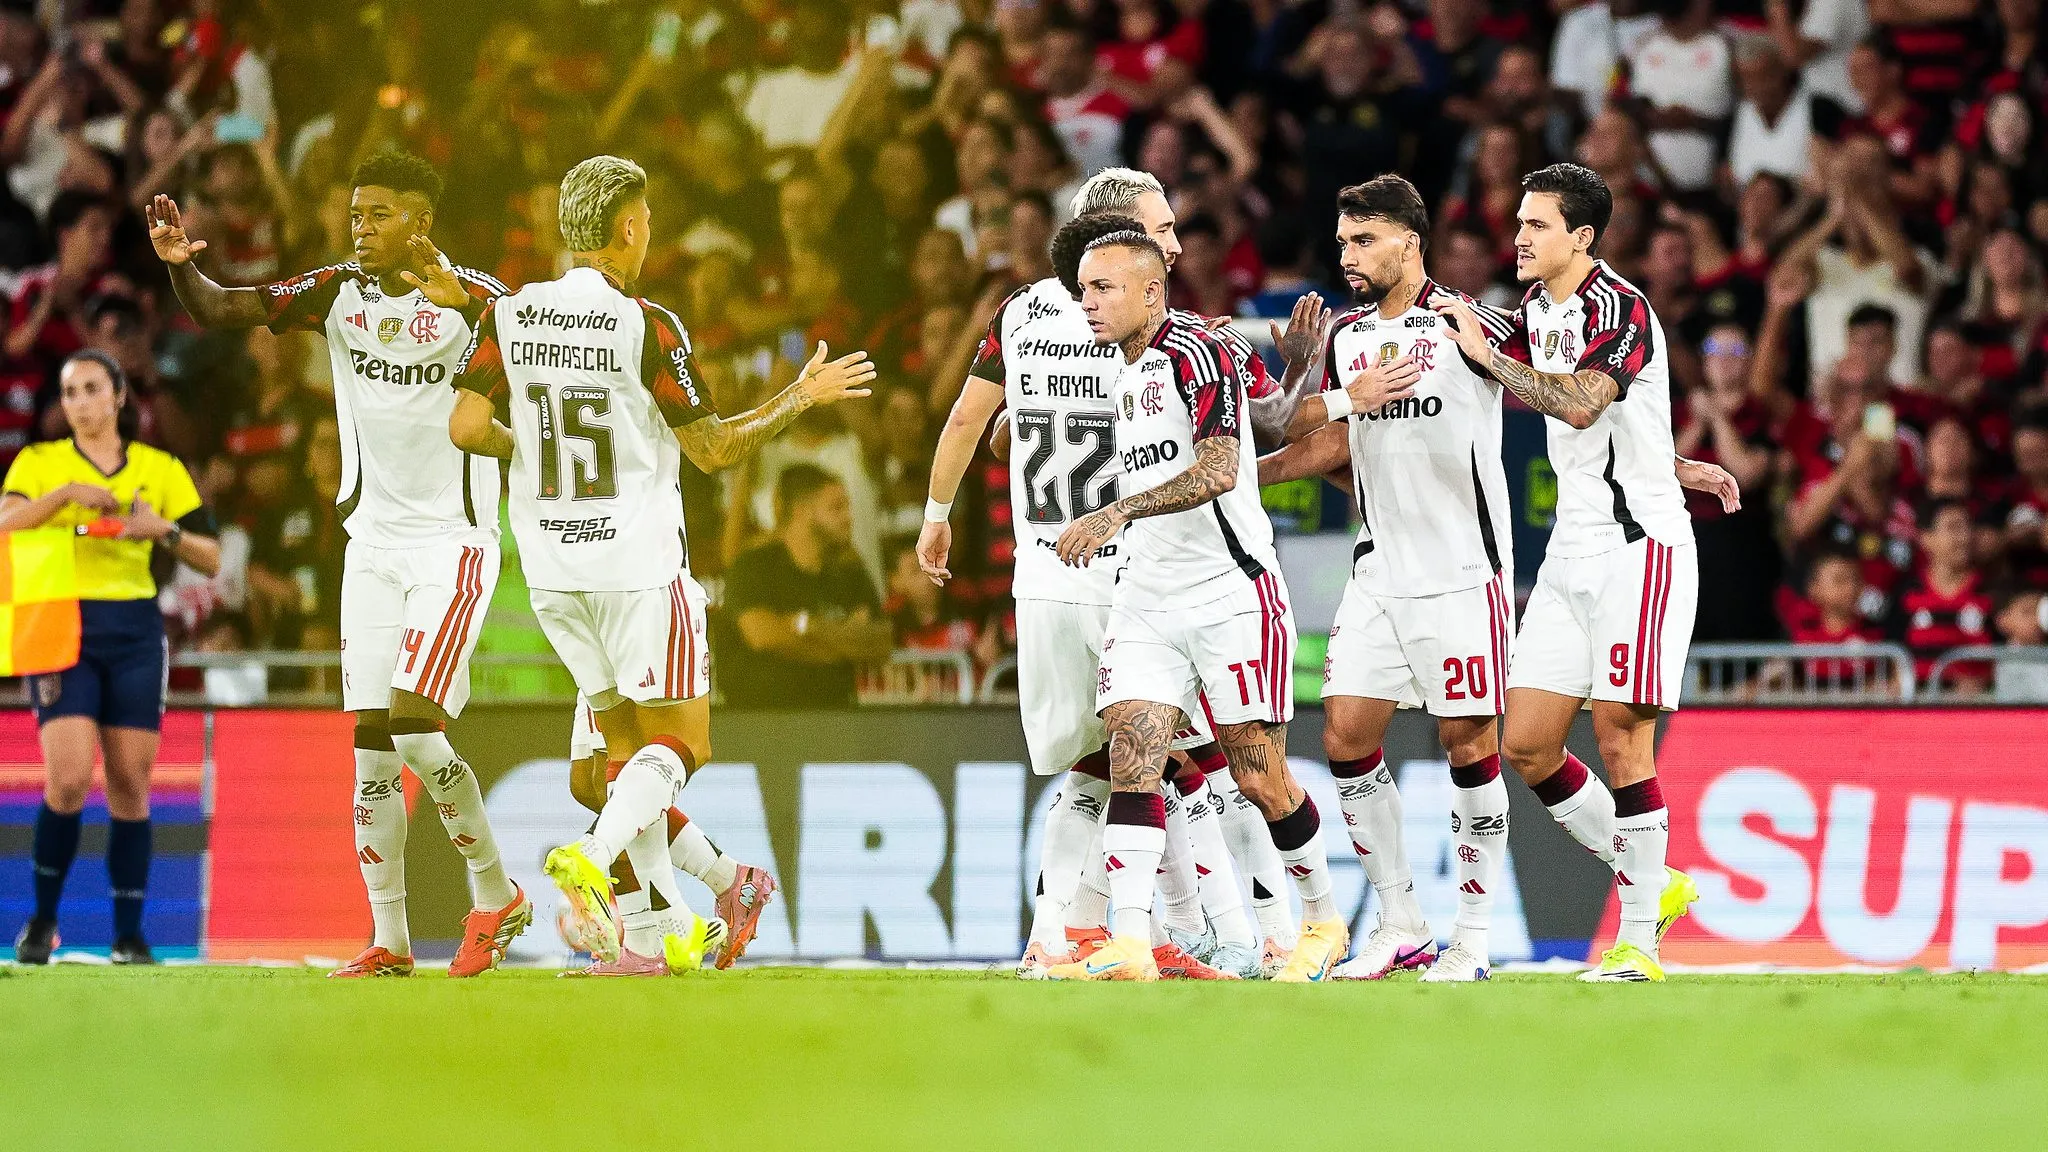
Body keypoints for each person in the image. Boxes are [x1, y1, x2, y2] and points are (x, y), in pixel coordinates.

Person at [450, 155, 875, 974]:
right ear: (628, 229)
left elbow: (467, 427)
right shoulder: (645, 324)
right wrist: (801, 395)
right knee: (682, 744)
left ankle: (663, 930)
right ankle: (595, 860)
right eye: (645, 223)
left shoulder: (510, 314)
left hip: (551, 567)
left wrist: (531, 451)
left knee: (610, 762)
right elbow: (713, 450)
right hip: (638, 565)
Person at [147, 150, 531, 980]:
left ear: (422, 223)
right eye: (356, 215)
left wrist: (476, 314)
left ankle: (496, 893)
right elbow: (222, 307)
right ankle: (390, 940)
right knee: (371, 752)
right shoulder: (335, 293)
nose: (361, 229)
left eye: (379, 215)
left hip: (452, 544)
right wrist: (181, 268)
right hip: (372, 550)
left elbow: (536, 355)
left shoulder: (479, 302)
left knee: (415, 726)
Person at [917, 199, 1251, 981]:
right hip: (1125, 575)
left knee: (1107, 764)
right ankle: (1223, 934)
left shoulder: (1018, 314)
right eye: (1153, 232)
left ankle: (1068, 934)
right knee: (1174, 758)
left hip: (1038, 580)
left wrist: (936, 516)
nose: (1166, 247)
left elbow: (974, 424)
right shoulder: (1138, 332)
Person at [1434, 162, 1738, 983]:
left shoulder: (1620, 306)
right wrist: (1672, 459)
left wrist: (1488, 357)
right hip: (1569, 552)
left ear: (1582, 236)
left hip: (1640, 551)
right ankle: (1656, 881)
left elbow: (1579, 403)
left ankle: (1638, 943)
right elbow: (1622, 419)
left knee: (1620, 737)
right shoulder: (1538, 308)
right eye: (1520, 222)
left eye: (1536, 225)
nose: (1519, 237)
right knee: (1528, 744)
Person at [1044, 230, 1339, 983]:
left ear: (1152, 291)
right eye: (1083, 289)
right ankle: (1132, 943)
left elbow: (1219, 468)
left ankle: (1322, 920)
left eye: (1103, 288)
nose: (1087, 303)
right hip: (1148, 594)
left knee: (1259, 777)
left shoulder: (1195, 352)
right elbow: (1265, 420)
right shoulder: (1118, 367)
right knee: (1133, 753)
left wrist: (1117, 512)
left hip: (1229, 593)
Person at [1256, 175, 1521, 983]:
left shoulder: (1472, 324)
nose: (1348, 255)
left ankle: (1473, 936)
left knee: (1469, 742)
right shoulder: (1345, 337)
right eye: (1343, 241)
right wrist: (1247, 474)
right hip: (1378, 570)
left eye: (1364, 239)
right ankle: (1401, 921)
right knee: (1345, 735)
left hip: (1463, 571)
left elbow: (1572, 401)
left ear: (1411, 240)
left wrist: (1665, 464)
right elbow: (1334, 438)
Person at [7, 350, 221, 965]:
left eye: (92, 388)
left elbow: (210, 556)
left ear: (120, 395)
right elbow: (5, 525)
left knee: (130, 783)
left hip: (134, 630)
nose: (80, 402)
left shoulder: (159, 468)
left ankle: (128, 934)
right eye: (69, 392)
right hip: (62, 623)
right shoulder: (40, 462)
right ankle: (43, 922)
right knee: (69, 778)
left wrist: (162, 531)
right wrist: (65, 496)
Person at [722, 464, 893, 709]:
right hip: (762, 717)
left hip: (838, 717)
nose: (848, 517)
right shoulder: (754, 566)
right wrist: (846, 640)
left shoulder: (849, 570)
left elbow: (881, 642)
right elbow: (763, 637)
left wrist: (806, 626)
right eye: (836, 508)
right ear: (802, 512)